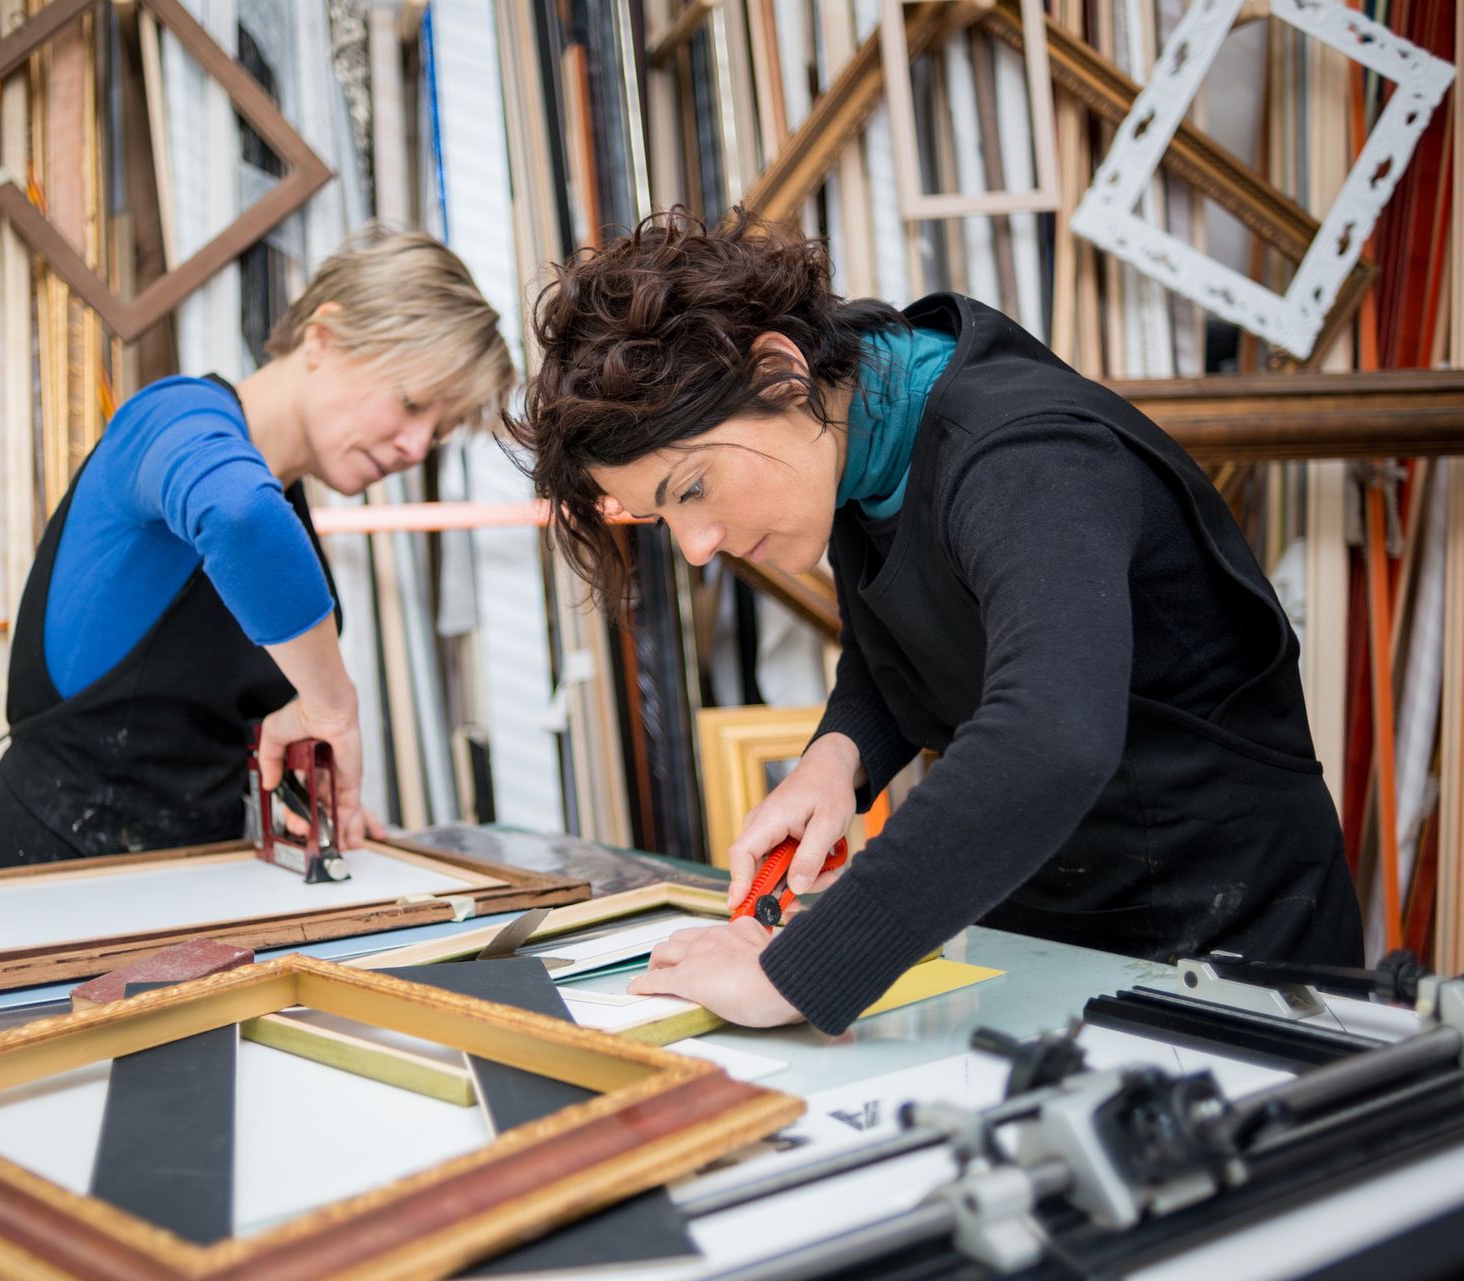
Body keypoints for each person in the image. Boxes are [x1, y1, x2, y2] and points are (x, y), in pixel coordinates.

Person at [508, 210, 1362, 1035]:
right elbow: (917, 636)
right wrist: (837, 761)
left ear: (780, 371)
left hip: (1227, 924)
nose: (697, 548)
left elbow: (1048, 736)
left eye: (691, 487)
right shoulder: (850, 435)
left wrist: (796, 968)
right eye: (663, 521)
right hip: (1050, 913)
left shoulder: (1026, 455)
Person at [0, 226, 514, 876]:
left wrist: (285, 782)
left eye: (437, 433)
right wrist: (333, 702)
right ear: (322, 338)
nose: (413, 446)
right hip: (26, 885)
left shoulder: (286, 505)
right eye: (411, 403)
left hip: (168, 891)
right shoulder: (174, 417)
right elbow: (236, 513)